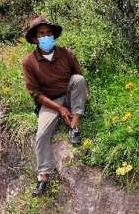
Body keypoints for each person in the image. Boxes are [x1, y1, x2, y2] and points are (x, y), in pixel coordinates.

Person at [21, 15, 89, 196]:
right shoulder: (29, 62)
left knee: (78, 80)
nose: (45, 37)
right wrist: (59, 108)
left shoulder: (66, 54)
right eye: (41, 34)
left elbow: (79, 78)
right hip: (50, 102)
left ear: (53, 35)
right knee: (42, 134)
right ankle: (43, 176)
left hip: (69, 93)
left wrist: (79, 98)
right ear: (35, 39)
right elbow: (36, 93)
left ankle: (74, 126)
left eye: (48, 33)